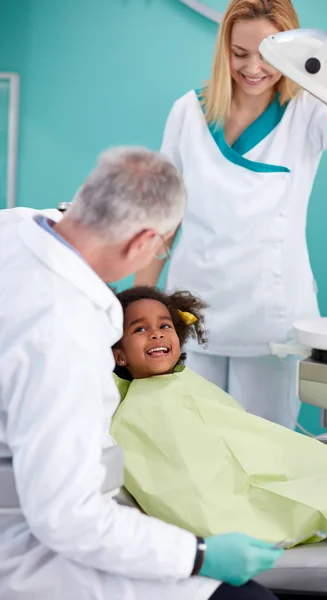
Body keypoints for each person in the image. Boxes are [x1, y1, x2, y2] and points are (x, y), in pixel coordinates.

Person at [0, 147, 283, 600]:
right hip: (27, 551)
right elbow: (67, 519)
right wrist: (198, 555)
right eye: (160, 245)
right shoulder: (62, 335)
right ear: (139, 244)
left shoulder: (14, 226)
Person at [133, 0, 327, 428]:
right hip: (191, 315)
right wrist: (140, 310)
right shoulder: (188, 111)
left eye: (267, 53)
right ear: (224, 50)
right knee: (192, 444)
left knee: (266, 455)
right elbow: (163, 219)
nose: (253, 67)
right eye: (240, 54)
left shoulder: (307, 109)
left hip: (272, 322)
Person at [111, 285, 327, 553]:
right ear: (119, 356)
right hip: (246, 506)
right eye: (140, 329)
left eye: (165, 325)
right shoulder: (135, 414)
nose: (157, 334)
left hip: (278, 480)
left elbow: (245, 437)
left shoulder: (187, 384)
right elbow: (183, 489)